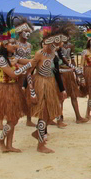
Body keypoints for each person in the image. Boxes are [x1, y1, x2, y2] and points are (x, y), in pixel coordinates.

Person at [0, 10, 34, 153]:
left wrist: (33, 62)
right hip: (6, 89)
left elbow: (23, 65)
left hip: (13, 89)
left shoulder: (12, 58)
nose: (15, 45)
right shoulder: (2, 60)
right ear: (5, 45)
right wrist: (27, 66)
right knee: (12, 118)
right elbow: (13, 74)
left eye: (15, 42)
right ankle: (1, 141)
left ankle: (8, 144)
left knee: (13, 118)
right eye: (12, 43)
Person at [27, 16, 69, 153]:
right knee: (43, 114)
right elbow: (29, 72)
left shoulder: (54, 56)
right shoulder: (39, 54)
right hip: (40, 84)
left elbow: (56, 73)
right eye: (47, 42)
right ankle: (40, 145)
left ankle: (38, 135)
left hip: (51, 85)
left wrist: (62, 89)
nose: (50, 45)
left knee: (51, 113)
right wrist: (31, 91)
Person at [57, 26, 87, 126]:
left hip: (69, 73)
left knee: (74, 95)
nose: (67, 37)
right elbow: (59, 60)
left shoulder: (71, 46)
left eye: (68, 35)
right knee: (61, 96)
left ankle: (78, 117)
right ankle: (60, 118)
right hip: (61, 72)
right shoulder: (58, 47)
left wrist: (76, 72)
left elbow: (72, 58)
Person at [13, 16, 36, 127]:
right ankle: (3, 120)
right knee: (13, 97)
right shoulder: (15, 44)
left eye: (28, 32)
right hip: (17, 72)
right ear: (20, 32)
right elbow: (15, 59)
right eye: (25, 32)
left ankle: (29, 119)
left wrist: (30, 65)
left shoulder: (29, 45)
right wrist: (30, 62)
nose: (27, 34)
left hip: (28, 73)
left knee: (28, 97)